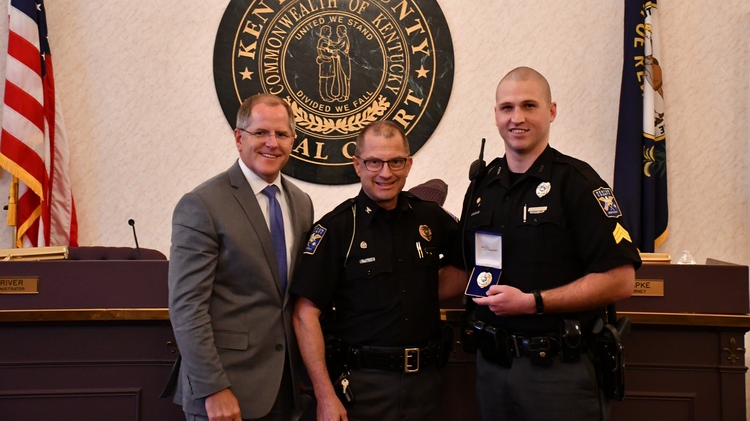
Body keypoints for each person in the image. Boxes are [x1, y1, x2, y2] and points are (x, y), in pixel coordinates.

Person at [461, 66, 641, 420]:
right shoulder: (483, 186)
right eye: (507, 107)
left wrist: (533, 303)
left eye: (529, 105)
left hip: (558, 372)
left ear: (551, 111)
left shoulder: (577, 183)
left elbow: (622, 280)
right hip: (492, 368)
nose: (517, 118)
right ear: (495, 115)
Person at [291, 121, 466, 421]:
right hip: (363, 388)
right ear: (357, 165)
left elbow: (466, 266)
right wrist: (324, 395)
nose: (386, 173)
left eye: (396, 161)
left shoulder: (429, 217)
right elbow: (304, 314)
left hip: (426, 383)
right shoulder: (336, 228)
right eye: (374, 162)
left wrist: (421, 289)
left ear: (408, 164)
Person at [168, 94, 314, 421]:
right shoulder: (202, 204)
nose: (272, 143)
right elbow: (187, 306)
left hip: (284, 389)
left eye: (281, 134)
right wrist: (213, 388)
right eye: (261, 133)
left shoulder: (301, 203)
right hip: (224, 392)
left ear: (293, 140)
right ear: (239, 137)